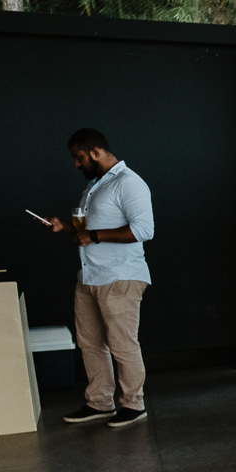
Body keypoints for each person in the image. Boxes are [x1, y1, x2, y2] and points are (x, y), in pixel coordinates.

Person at [49, 128, 154, 428]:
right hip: (90, 276)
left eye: (79, 157)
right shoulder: (96, 185)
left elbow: (144, 230)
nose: (76, 164)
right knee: (90, 343)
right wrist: (65, 228)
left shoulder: (129, 183)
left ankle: (134, 404)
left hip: (120, 277)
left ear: (95, 152)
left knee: (123, 344)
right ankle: (100, 402)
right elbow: (88, 232)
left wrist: (93, 236)